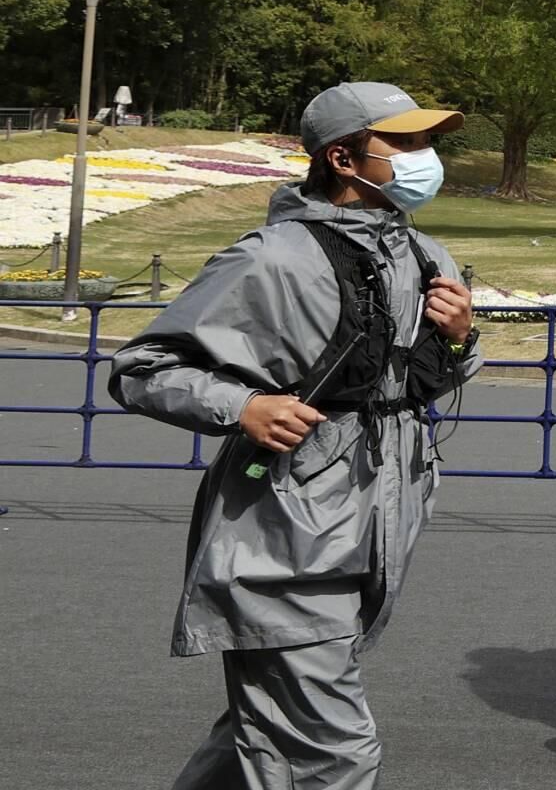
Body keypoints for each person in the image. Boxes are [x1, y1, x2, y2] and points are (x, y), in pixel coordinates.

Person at [108, 81, 483, 790]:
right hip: (280, 540)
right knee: (332, 755)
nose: (425, 157)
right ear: (343, 158)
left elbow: (418, 379)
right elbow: (141, 369)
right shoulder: (272, 258)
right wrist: (243, 405)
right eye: (403, 143)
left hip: (373, 528)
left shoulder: (427, 255)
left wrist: (460, 339)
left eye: (428, 141)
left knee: (264, 731)